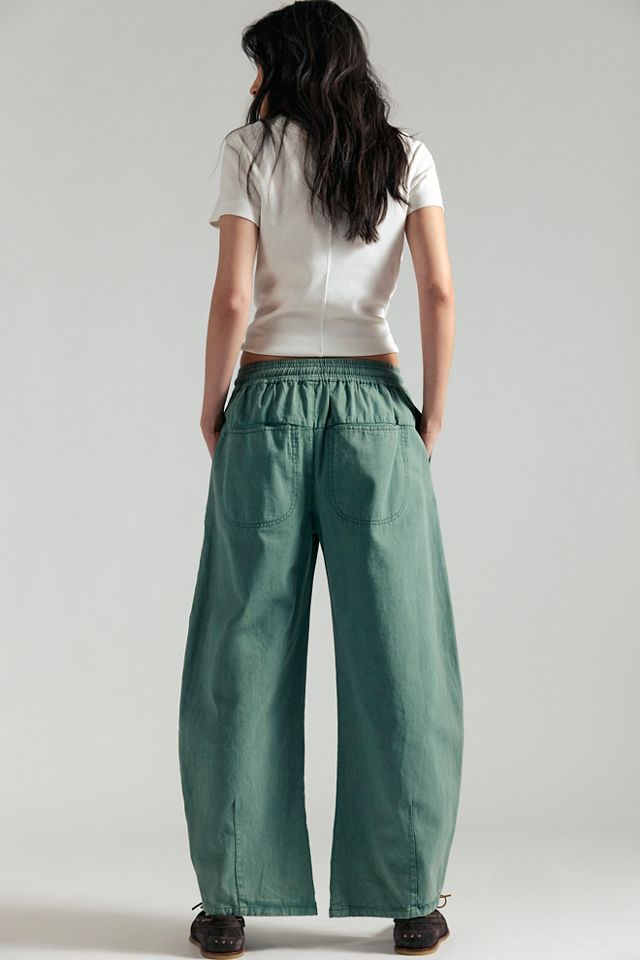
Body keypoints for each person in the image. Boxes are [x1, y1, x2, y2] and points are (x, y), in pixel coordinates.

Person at [178, 2, 464, 956]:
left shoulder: (250, 151)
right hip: (378, 410)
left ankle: (229, 901)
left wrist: (212, 403)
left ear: (290, 66)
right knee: (401, 652)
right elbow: (438, 290)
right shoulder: (405, 155)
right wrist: (430, 414)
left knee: (241, 647)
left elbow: (232, 294)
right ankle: (412, 899)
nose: (252, 81)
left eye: (261, 63)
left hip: (266, 401)